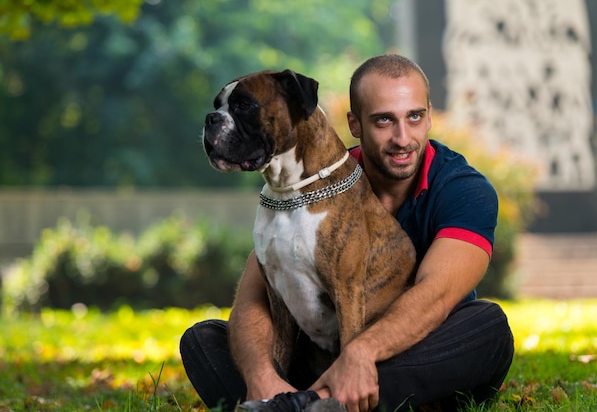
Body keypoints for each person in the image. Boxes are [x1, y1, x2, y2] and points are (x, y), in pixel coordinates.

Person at [180, 54, 514, 412]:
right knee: (204, 340)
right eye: (384, 120)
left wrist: (361, 353)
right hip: (318, 357)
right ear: (354, 124)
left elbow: (436, 296)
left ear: (430, 116)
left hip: (417, 356)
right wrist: (261, 373)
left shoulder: (463, 189)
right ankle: (293, 402)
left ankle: (305, 404)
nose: (403, 138)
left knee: (487, 325)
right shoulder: (315, 178)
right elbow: (255, 296)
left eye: (414, 117)